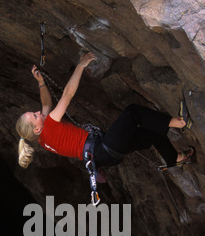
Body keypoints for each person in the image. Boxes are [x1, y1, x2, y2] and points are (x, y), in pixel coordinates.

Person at [16, 52, 194, 174]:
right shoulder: (49, 127)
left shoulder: (42, 138)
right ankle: (180, 122)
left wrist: (40, 82)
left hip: (104, 154)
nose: (39, 112)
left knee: (152, 133)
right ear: (37, 128)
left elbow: (46, 103)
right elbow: (67, 95)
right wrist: (80, 66)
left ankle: (175, 159)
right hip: (103, 148)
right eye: (35, 116)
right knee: (132, 113)